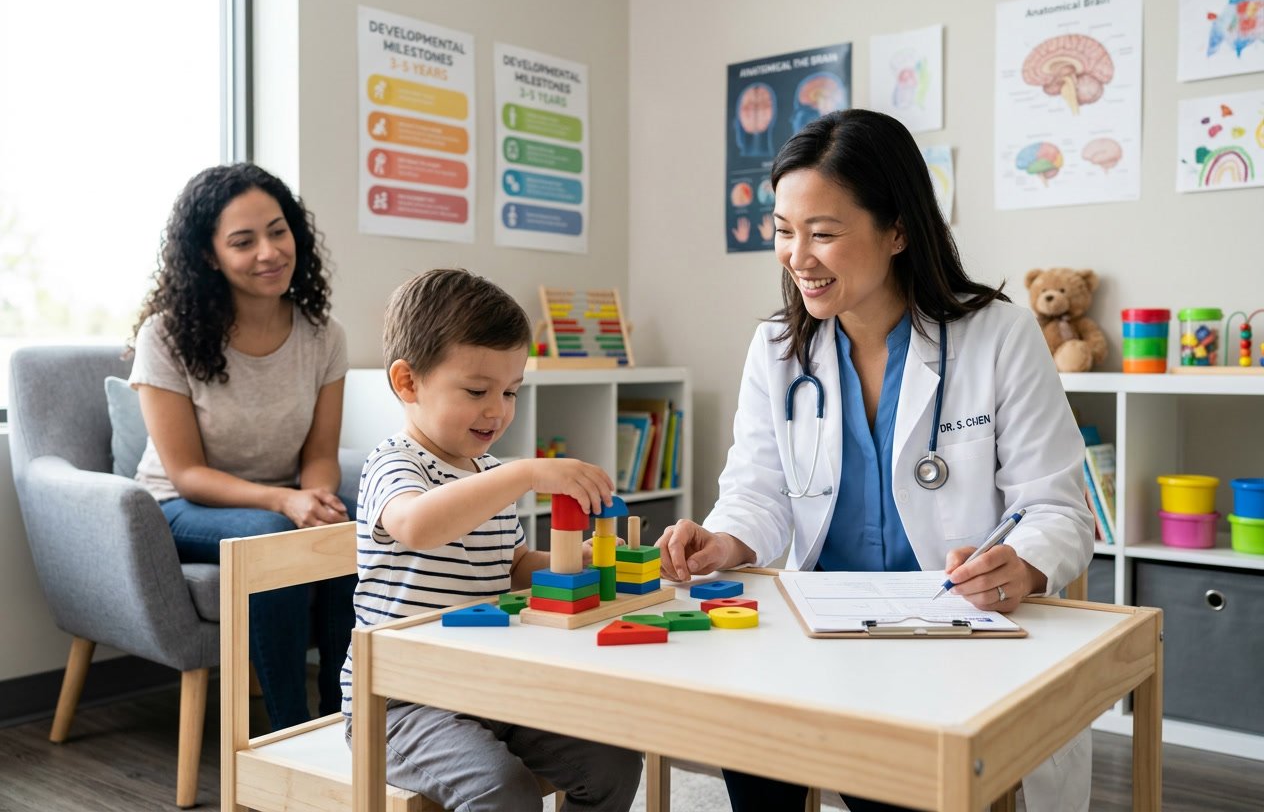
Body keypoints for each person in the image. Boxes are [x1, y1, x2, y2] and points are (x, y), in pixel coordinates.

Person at [656, 109, 1094, 812]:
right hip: (815, 632)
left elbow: (1054, 507)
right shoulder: (777, 350)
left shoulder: (997, 335)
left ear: (898, 231)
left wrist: (1024, 561)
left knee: (899, 785)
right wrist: (722, 540)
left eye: (824, 234)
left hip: (951, 631)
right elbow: (757, 492)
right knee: (750, 745)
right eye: (783, 232)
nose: (799, 257)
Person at [339, 268, 642, 812]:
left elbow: (514, 563)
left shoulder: (489, 472)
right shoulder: (394, 463)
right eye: (478, 390)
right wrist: (521, 475)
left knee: (613, 760)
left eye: (510, 391)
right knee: (500, 790)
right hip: (401, 703)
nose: (497, 409)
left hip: (491, 687)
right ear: (407, 382)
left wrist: (583, 562)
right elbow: (416, 525)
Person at [129, 162, 354, 731]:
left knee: (346, 531)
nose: (269, 252)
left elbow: (320, 452)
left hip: (277, 500)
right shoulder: (167, 335)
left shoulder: (323, 334)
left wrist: (317, 499)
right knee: (274, 542)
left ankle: (345, 718)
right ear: (209, 255)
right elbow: (185, 474)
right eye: (243, 241)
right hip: (180, 507)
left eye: (278, 231)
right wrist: (283, 504)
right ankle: (288, 735)